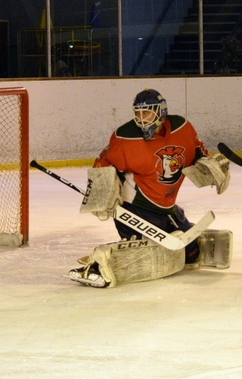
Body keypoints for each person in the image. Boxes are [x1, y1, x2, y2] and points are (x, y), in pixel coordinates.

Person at [67, 88, 232, 288]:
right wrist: (101, 193)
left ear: (161, 111)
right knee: (146, 259)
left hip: (167, 207)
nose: (140, 118)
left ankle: (178, 234)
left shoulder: (182, 128)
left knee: (191, 254)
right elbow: (104, 163)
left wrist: (209, 165)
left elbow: (197, 150)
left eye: (146, 112)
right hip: (136, 210)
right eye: (137, 113)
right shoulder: (126, 137)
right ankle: (98, 265)